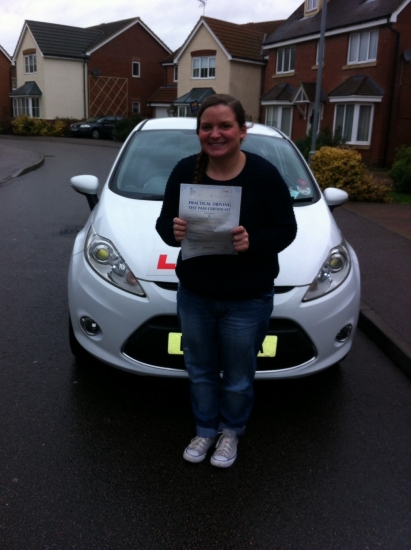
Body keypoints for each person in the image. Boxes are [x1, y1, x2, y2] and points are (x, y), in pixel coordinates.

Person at [156, 94, 297, 468]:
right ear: (198, 131)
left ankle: (230, 432)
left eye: (224, 126)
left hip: (248, 299)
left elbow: (287, 229)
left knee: (237, 376)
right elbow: (163, 226)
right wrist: (173, 230)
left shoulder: (264, 175)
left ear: (242, 131)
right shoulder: (185, 171)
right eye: (207, 127)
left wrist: (255, 241)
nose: (215, 134)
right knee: (200, 371)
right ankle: (205, 431)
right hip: (196, 295)